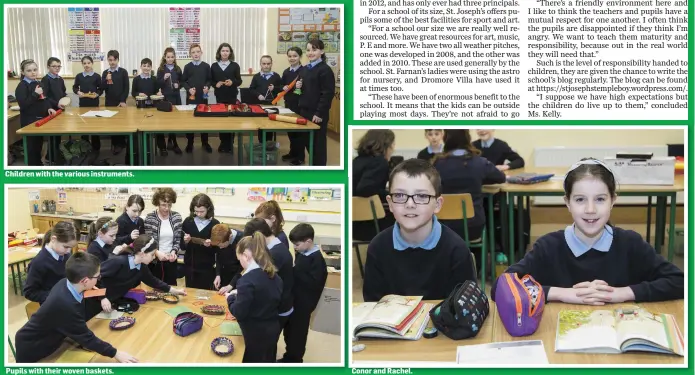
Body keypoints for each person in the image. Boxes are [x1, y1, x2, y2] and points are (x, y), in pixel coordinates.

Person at [491, 158, 684, 304]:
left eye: (600, 199)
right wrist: (562, 293)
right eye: (580, 199)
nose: (590, 209)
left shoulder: (630, 243)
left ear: (613, 201)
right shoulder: (548, 247)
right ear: (567, 202)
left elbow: (680, 282)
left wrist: (622, 293)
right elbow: (500, 287)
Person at [362, 158, 476, 302]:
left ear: (438, 204)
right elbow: (372, 304)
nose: (410, 204)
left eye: (422, 196)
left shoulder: (456, 249)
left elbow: (465, 306)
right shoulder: (377, 247)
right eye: (400, 195)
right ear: (390, 203)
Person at [15, 251, 137, 363]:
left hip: (52, 340)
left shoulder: (65, 283)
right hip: (33, 347)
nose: (99, 279)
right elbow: (87, 337)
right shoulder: (65, 305)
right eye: (97, 277)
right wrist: (116, 353)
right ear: (84, 281)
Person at [432, 129, 506, 273]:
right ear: (468, 139)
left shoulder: (437, 164)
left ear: (445, 139)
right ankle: (475, 269)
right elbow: (500, 177)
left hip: (443, 226)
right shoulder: (479, 162)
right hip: (472, 226)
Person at [226, 232, 283, 363]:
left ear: (245, 256)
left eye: (239, 259)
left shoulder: (246, 281)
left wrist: (230, 298)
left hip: (255, 333)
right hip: (272, 328)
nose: (240, 263)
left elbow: (239, 312)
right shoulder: (275, 275)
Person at [97, 234, 186, 315]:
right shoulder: (118, 262)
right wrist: (102, 298)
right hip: (97, 302)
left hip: (112, 303)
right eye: (152, 254)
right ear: (142, 254)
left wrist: (175, 291)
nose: (154, 257)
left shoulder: (141, 267)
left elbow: (153, 281)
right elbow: (95, 277)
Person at [279, 223, 327, 363]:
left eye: (297, 244)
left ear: (309, 241)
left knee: (298, 335)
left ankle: (295, 360)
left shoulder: (317, 260)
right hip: (294, 301)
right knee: (289, 332)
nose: (294, 247)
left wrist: (294, 272)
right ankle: (289, 356)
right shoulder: (302, 252)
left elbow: (313, 284)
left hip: (303, 305)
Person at [293, 40, 335, 166]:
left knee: (318, 144)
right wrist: (298, 87)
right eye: (308, 50)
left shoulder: (325, 70)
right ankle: (313, 166)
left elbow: (327, 94)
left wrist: (319, 113)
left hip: (316, 113)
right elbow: (300, 92)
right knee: (306, 140)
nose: (310, 53)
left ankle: (320, 169)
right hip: (304, 110)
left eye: (314, 49)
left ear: (321, 51)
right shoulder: (305, 69)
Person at [352, 129, 396, 241]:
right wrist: (393, 195)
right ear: (386, 145)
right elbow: (365, 189)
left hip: (354, 223)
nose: (393, 148)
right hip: (371, 225)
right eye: (393, 144)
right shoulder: (379, 162)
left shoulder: (357, 160)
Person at [15, 59, 60, 165]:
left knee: (38, 146)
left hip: (40, 120)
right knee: (31, 149)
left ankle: (38, 165)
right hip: (29, 121)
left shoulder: (37, 82)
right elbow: (24, 105)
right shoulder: (22, 86)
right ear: (23, 72)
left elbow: (44, 99)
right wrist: (35, 94)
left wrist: (49, 107)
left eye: (35, 70)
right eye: (29, 70)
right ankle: (33, 170)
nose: (33, 72)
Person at [23, 221, 76, 304]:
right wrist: (55, 296)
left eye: (71, 248)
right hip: (52, 307)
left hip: (66, 302)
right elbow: (29, 292)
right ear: (53, 239)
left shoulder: (65, 254)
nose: (68, 251)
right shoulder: (39, 263)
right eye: (66, 247)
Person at [144, 188, 183, 285]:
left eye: (169, 205)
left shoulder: (176, 217)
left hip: (171, 261)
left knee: (171, 289)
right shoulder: (150, 218)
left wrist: (174, 251)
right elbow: (148, 240)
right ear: (157, 203)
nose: (166, 208)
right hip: (154, 262)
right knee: (154, 289)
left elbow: (178, 239)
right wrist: (157, 253)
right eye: (163, 205)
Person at [182, 193, 219, 289]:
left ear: (209, 209)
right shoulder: (188, 221)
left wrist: (210, 245)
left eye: (202, 211)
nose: (198, 214)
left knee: (205, 295)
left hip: (207, 268)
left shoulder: (215, 224)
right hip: (190, 267)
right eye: (196, 211)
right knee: (190, 294)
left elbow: (218, 249)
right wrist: (185, 241)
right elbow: (182, 246)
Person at [210, 43, 242, 153]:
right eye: (223, 50)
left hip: (232, 96)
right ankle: (223, 142)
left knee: (231, 119)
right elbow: (211, 81)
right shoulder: (214, 66)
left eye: (227, 51)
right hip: (220, 96)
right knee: (222, 120)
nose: (225, 53)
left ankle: (230, 143)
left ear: (230, 53)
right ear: (219, 52)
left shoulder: (235, 65)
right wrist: (216, 84)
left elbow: (239, 81)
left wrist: (233, 82)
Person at [182, 44, 214, 153]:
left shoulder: (206, 66)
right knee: (190, 121)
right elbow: (183, 81)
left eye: (197, 52)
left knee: (204, 120)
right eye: (193, 52)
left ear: (201, 53)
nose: (196, 54)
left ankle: (205, 142)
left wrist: (207, 87)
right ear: (190, 54)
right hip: (191, 98)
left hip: (203, 98)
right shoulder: (187, 67)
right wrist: (188, 89)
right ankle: (189, 143)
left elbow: (210, 80)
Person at [101, 50, 129, 155]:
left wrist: (122, 100)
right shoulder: (105, 72)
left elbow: (126, 88)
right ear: (108, 60)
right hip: (109, 102)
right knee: (112, 124)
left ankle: (121, 143)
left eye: (114, 60)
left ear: (118, 60)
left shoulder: (123, 72)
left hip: (121, 102)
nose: (112, 62)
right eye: (110, 60)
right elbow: (102, 88)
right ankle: (116, 144)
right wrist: (105, 80)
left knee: (121, 123)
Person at [280, 47, 305, 164]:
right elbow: (281, 85)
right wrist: (283, 87)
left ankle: (300, 157)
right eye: (290, 56)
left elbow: (308, 88)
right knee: (290, 130)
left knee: (298, 131)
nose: (292, 58)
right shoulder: (286, 71)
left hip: (300, 105)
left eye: (295, 56)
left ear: (300, 57)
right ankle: (292, 153)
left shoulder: (304, 71)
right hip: (288, 104)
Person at [156, 47, 183, 155]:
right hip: (164, 99)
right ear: (165, 57)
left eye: (172, 57)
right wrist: (163, 79)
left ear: (175, 57)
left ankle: (173, 143)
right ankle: (162, 147)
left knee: (174, 122)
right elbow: (157, 84)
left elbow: (182, 82)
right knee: (162, 123)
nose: (170, 59)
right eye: (168, 57)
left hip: (175, 98)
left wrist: (178, 85)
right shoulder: (161, 69)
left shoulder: (178, 69)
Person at [72, 55, 102, 152]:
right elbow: (75, 87)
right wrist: (78, 92)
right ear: (82, 65)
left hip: (94, 104)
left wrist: (97, 94)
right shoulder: (79, 76)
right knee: (84, 126)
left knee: (95, 126)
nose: (86, 65)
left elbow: (100, 89)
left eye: (88, 63)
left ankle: (96, 147)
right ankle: (84, 147)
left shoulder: (97, 76)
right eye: (84, 63)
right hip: (83, 104)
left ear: (92, 63)